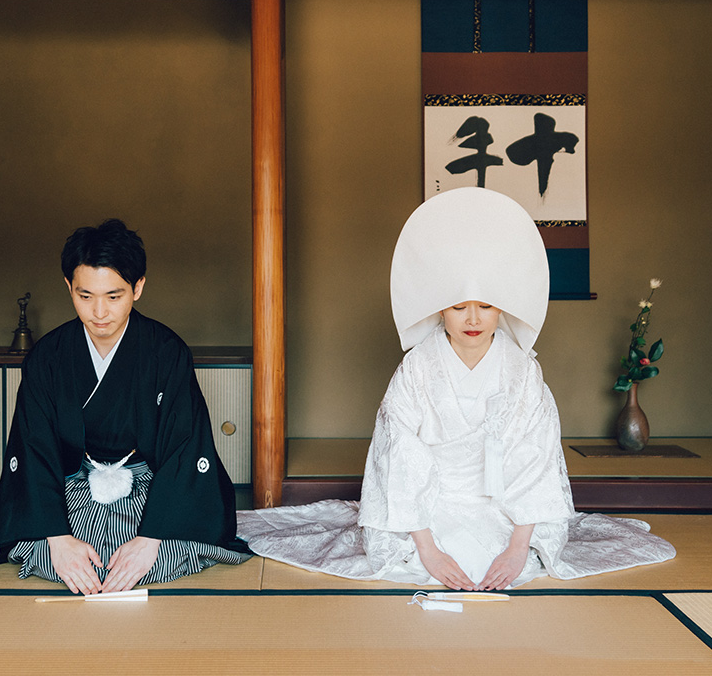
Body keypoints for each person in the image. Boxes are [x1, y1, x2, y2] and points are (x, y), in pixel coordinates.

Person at [236, 188, 674, 589]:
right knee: (427, 560)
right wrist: (427, 546)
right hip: (430, 507)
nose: (472, 320)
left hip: (505, 508)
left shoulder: (521, 372)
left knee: (497, 561)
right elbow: (399, 457)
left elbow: (536, 458)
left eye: (485, 306)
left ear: (502, 308)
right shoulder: (417, 369)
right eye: (458, 306)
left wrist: (520, 545)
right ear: (438, 308)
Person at [0, 219, 250, 594]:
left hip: (148, 480)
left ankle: (140, 550)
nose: (99, 312)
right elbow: (33, 448)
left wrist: (150, 540)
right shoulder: (48, 357)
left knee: (157, 552)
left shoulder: (165, 351)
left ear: (138, 287)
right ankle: (69, 549)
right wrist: (58, 539)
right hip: (75, 480)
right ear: (68, 288)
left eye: (114, 296)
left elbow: (185, 446)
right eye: (85, 296)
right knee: (52, 550)